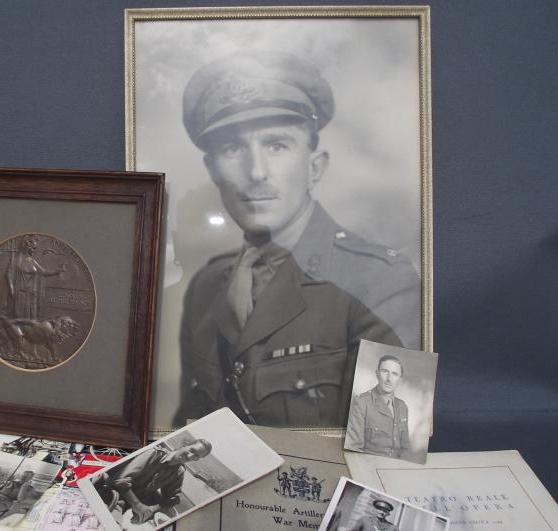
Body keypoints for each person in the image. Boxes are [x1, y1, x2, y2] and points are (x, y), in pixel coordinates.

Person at [175, 49, 419, 427]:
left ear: (314, 166)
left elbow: (389, 454)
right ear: (212, 170)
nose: (256, 172)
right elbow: (188, 433)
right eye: (233, 148)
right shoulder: (206, 287)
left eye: (277, 145)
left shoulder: (382, 281)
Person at [92, 439, 212, 525]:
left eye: (196, 456)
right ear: (185, 444)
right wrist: (138, 505)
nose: (190, 456)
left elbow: (173, 499)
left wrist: (151, 509)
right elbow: (120, 481)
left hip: (136, 506)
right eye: (192, 450)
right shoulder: (154, 453)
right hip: (114, 496)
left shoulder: (179, 471)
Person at [346, 355, 410, 459]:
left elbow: (406, 449)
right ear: (377, 374)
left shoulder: (403, 407)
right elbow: (354, 449)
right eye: (385, 371)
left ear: (400, 379)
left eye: (394, 374)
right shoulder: (362, 402)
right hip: (372, 466)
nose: (389, 379)